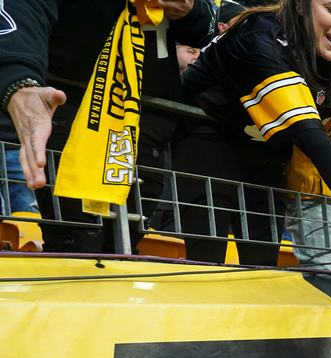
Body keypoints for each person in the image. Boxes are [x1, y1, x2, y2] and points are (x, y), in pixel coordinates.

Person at [177, 0, 331, 266]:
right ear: (299, 5)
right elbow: (308, 133)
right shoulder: (261, 34)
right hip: (207, 134)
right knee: (206, 258)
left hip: (266, 150)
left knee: (263, 265)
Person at [0, 0, 217, 252]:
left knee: (125, 246)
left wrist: (191, 10)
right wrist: (19, 80)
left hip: (147, 128)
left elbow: (205, 31)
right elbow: (21, 12)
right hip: (76, 116)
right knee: (78, 244)